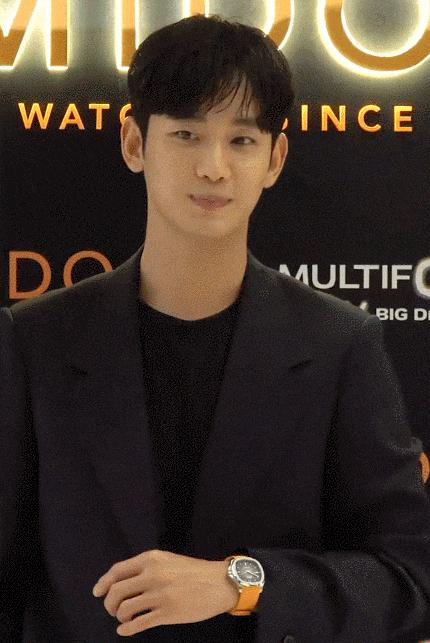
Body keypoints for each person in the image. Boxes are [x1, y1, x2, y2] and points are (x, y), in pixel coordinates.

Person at [1, 12, 430, 643]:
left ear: (275, 158)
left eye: (242, 140)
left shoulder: (340, 346)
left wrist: (240, 584)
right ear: (134, 143)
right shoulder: (36, 341)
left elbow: (410, 579)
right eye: (186, 134)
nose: (214, 167)